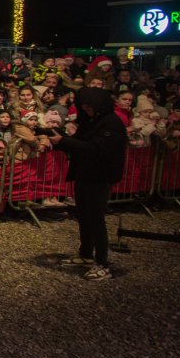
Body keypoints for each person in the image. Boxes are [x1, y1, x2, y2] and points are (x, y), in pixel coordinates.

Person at [49, 86, 127, 281]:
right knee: (84, 216)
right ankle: (85, 254)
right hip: (84, 174)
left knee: (96, 219)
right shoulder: (91, 121)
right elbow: (79, 143)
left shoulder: (111, 123)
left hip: (100, 177)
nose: (86, 110)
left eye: (89, 107)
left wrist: (64, 142)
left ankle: (102, 263)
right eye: (83, 107)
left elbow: (95, 148)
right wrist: (61, 140)